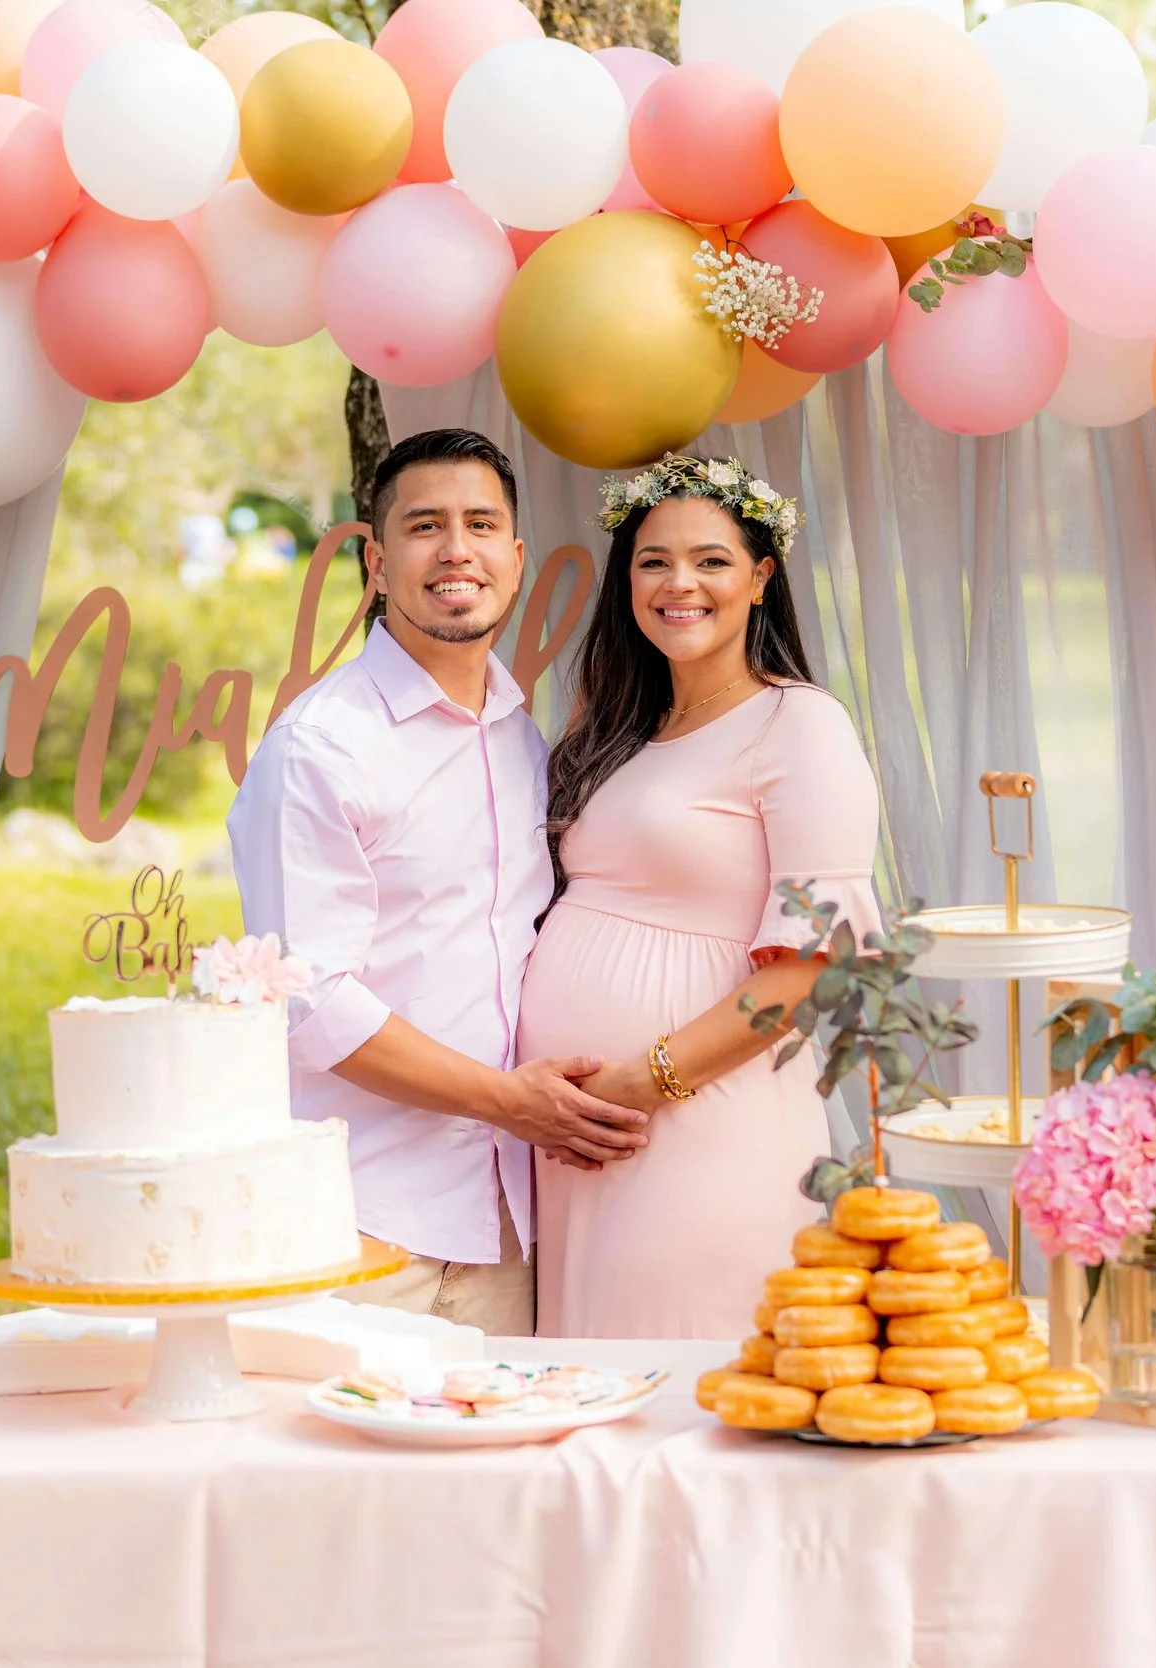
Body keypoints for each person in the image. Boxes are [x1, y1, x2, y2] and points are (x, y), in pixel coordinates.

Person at [226, 429, 648, 1337]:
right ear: (378, 562)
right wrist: (509, 1102)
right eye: (425, 526)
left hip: (510, 1222)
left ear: (515, 556)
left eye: (481, 524)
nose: (457, 549)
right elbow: (314, 1006)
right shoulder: (322, 749)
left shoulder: (518, 734)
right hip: (367, 1224)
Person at [520, 453, 883, 1341]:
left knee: (682, 1390)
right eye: (654, 561)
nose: (680, 583)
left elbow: (812, 967)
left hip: (699, 1120)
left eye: (711, 561)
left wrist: (639, 1084)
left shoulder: (800, 724)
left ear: (761, 578)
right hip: (581, 1133)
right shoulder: (614, 728)